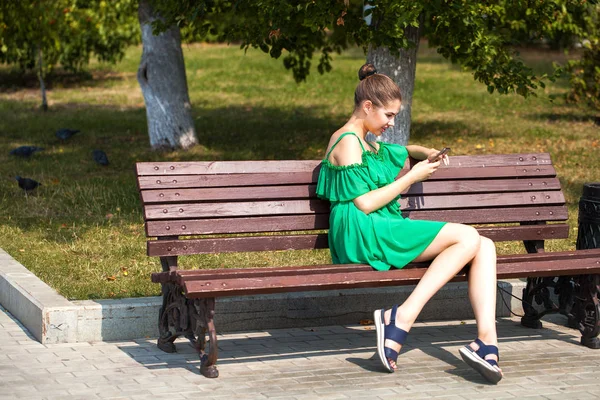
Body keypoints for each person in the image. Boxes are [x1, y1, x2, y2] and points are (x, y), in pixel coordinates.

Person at [315, 63, 503, 384]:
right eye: (388, 116)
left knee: (484, 245)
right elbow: (364, 203)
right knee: (468, 237)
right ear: (368, 106)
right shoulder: (347, 141)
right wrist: (413, 176)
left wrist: (425, 152)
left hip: (379, 223)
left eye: (395, 117)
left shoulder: (369, 140)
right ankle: (401, 317)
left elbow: (401, 150)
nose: (391, 123)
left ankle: (487, 341)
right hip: (362, 228)